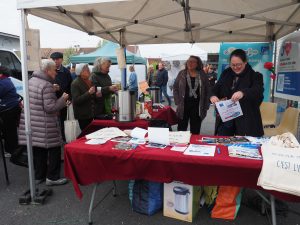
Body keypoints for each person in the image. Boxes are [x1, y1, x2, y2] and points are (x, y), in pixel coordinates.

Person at [18, 59, 69, 185]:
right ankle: (52, 177)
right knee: (55, 149)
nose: (56, 73)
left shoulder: (31, 81)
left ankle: (39, 176)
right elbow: (50, 107)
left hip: (34, 123)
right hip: (46, 124)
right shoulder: (46, 85)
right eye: (54, 70)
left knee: (39, 150)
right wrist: (63, 99)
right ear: (47, 71)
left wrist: (52, 88)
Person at [210, 49, 264, 137]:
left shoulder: (255, 76)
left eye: (239, 64)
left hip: (246, 120)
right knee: (224, 144)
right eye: (233, 65)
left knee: (243, 148)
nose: (235, 67)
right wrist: (212, 96)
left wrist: (243, 93)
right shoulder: (226, 73)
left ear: (245, 62)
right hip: (226, 119)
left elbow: (258, 90)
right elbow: (214, 89)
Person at [173, 56, 210, 134]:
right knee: (181, 129)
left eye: (193, 61)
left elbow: (207, 91)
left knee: (195, 129)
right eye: (189, 61)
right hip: (183, 105)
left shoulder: (202, 74)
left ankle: (193, 145)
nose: (190, 63)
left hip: (197, 106)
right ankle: (181, 144)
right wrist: (177, 102)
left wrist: (206, 106)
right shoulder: (182, 73)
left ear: (197, 64)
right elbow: (175, 87)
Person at [71, 63, 102, 130]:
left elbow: (92, 97)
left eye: (88, 69)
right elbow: (76, 100)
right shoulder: (75, 83)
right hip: (83, 115)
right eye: (86, 69)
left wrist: (97, 95)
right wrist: (88, 93)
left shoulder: (90, 81)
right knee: (86, 133)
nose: (89, 71)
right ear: (80, 72)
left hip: (92, 114)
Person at [50, 52, 73, 141]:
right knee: (52, 121)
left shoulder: (66, 72)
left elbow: (70, 86)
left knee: (63, 120)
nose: (55, 61)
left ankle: (63, 138)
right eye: (53, 59)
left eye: (57, 59)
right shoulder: (48, 71)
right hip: (51, 100)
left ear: (62, 60)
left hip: (63, 100)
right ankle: (54, 138)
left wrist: (69, 98)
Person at [0, 66, 21, 157]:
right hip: (12, 107)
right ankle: (14, 148)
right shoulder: (6, 80)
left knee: (9, 131)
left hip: (8, 109)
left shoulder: (3, 82)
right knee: (11, 130)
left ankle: (11, 150)